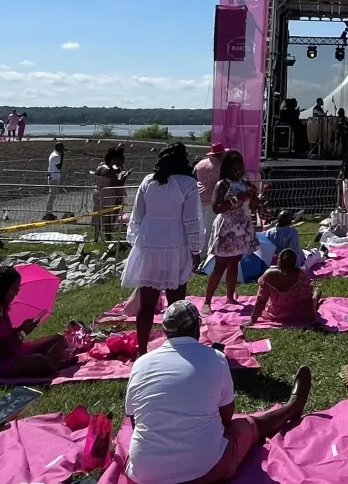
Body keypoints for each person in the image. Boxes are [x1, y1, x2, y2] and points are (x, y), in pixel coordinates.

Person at [122, 300, 311, 484]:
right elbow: (227, 417)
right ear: (197, 327)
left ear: (165, 331)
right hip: (205, 469)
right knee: (248, 425)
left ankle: (291, 407)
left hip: (144, 474)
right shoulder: (215, 358)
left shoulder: (141, 364)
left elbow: (134, 420)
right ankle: (292, 407)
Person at [122, 144, 206, 342]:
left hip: (149, 244)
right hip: (175, 244)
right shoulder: (188, 183)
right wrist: (195, 249)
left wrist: (138, 245)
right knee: (176, 305)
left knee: (147, 304)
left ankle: (142, 349)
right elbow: (191, 220)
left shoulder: (147, 181)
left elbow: (137, 217)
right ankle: (176, 347)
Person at [0, 265, 74, 379]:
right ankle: (49, 364)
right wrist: (21, 334)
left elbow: (5, 337)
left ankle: (48, 363)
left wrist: (21, 329)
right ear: (2, 289)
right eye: (14, 289)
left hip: (12, 352)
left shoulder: (0, 309)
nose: (16, 293)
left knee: (59, 339)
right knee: (40, 361)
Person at [202, 150, 259, 309]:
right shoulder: (223, 185)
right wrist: (237, 199)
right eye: (235, 170)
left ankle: (230, 296)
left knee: (235, 262)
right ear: (227, 169)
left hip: (241, 226)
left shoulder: (246, 184)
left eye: (241, 169)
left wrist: (255, 197)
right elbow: (216, 208)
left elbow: (254, 207)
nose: (238, 173)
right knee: (220, 265)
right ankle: (207, 301)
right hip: (227, 227)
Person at [250, 248, 319, 327]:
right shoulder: (301, 276)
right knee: (312, 298)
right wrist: (311, 320)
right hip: (297, 314)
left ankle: (315, 297)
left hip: (275, 313)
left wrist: (253, 319)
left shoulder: (268, 275)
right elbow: (306, 301)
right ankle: (316, 296)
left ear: (279, 261)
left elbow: (261, 300)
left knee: (311, 297)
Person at [91, 145, 129, 245]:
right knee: (108, 215)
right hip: (107, 194)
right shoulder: (109, 170)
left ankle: (95, 236)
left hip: (97, 191)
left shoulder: (100, 167)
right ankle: (108, 236)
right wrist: (125, 176)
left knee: (97, 214)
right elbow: (117, 183)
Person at [43, 140, 64, 218]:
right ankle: (48, 213)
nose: (62, 149)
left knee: (52, 195)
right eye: (61, 147)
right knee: (52, 195)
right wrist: (62, 156)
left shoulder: (54, 154)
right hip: (54, 177)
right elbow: (59, 166)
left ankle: (49, 212)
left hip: (53, 176)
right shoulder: (56, 156)